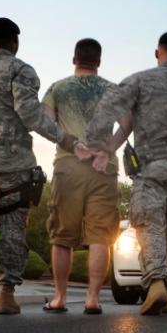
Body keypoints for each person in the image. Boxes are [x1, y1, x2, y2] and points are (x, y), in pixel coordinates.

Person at [0, 18, 83, 314]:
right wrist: (68, 140)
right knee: (13, 226)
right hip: (14, 163)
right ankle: (6, 294)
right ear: (15, 42)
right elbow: (31, 116)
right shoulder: (20, 70)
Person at [84, 31, 167, 316]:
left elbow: (106, 109)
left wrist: (99, 144)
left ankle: (156, 284)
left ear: (157, 53)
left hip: (152, 169)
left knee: (149, 225)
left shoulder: (140, 79)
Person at [41, 38, 120, 315]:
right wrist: (108, 150)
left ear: (74, 59)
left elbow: (44, 122)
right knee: (100, 236)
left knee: (62, 236)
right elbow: (128, 123)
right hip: (104, 167)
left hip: (69, 165)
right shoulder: (113, 90)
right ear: (99, 62)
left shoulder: (58, 88)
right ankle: (93, 299)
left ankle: (60, 297)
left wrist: (71, 143)